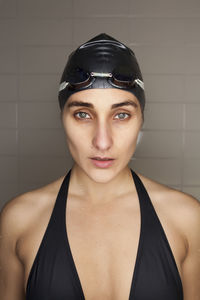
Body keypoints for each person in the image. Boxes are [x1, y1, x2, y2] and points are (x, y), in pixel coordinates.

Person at [0, 33, 199, 300]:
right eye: (83, 114)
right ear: (62, 117)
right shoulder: (19, 220)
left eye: (121, 115)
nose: (102, 142)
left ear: (141, 119)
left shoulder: (187, 219)